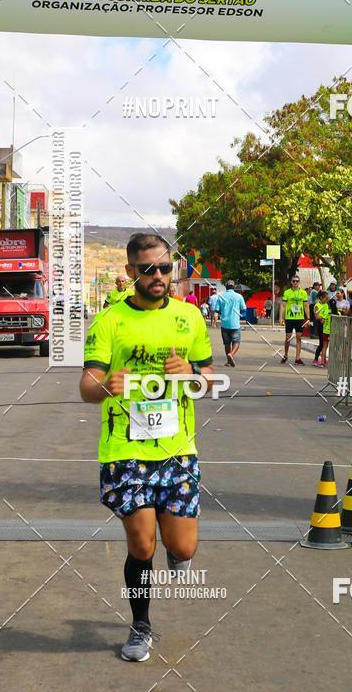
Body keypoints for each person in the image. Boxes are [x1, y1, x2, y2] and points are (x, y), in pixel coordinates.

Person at [80, 232, 213, 662]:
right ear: (130, 271)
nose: (158, 276)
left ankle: (177, 551)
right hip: (126, 450)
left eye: (164, 268)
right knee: (141, 547)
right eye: (148, 269)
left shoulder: (189, 318)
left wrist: (191, 372)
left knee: (184, 548)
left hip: (177, 449)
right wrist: (105, 384)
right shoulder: (109, 322)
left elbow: (209, 378)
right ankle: (141, 625)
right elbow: (86, 387)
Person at [279, 275, 309, 365]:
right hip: (289, 318)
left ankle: (297, 358)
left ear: (299, 282)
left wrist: (308, 318)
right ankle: (286, 355)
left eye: (297, 281)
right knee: (288, 337)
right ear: (291, 282)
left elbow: (306, 306)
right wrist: (281, 317)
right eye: (293, 281)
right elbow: (283, 305)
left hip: (299, 318)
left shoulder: (303, 293)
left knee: (298, 338)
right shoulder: (287, 292)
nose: (295, 283)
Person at [216, 280, 246, 367]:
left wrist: (224, 312)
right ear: (234, 287)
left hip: (224, 323)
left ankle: (229, 361)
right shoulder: (239, 297)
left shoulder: (221, 296)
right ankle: (231, 355)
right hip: (235, 323)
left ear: (226, 287)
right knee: (236, 341)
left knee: (227, 343)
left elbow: (217, 310)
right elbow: (244, 309)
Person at [312, 290, 329, 366]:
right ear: (321, 297)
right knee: (321, 343)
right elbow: (316, 316)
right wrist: (322, 318)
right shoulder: (317, 305)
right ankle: (316, 359)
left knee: (325, 343)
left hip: (326, 325)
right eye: (325, 298)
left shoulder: (326, 305)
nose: (326, 300)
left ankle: (324, 359)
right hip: (320, 324)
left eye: (327, 298)